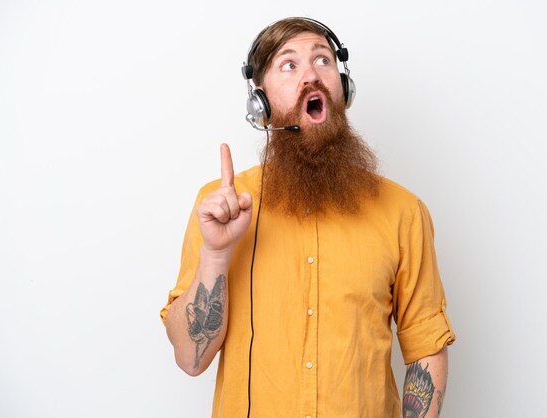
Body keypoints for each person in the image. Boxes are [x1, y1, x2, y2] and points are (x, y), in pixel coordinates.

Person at [160, 17, 456, 418]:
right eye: (289, 65)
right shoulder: (219, 207)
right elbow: (190, 359)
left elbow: (425, 350)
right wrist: (215, 253)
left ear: (343, 87)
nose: (311, 76)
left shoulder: (404, 213)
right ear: (260, 101)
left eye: (323, 60)